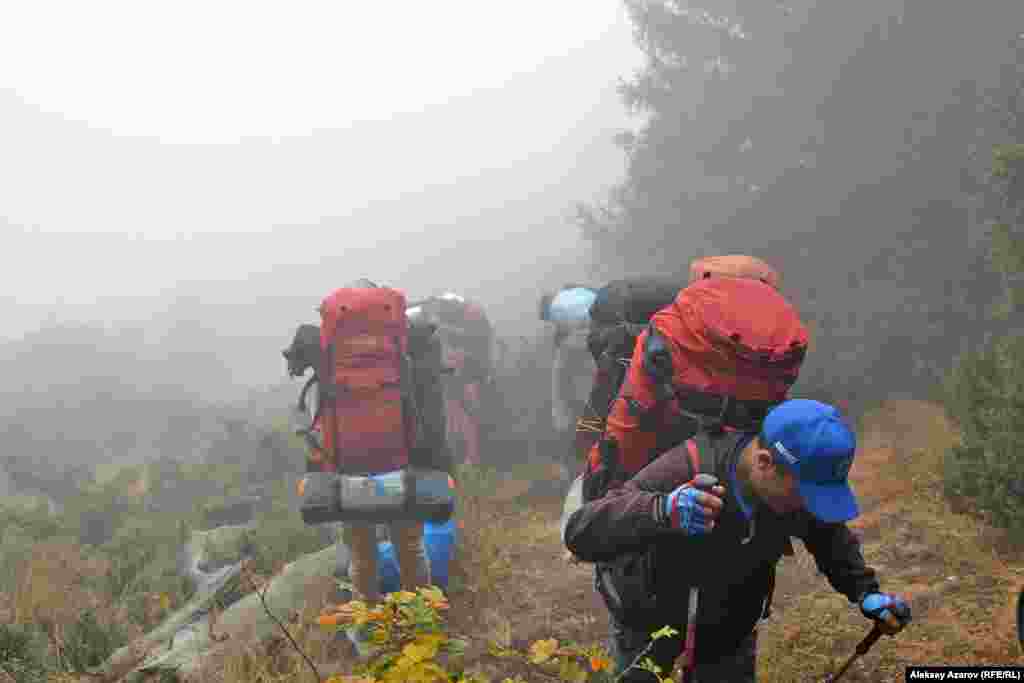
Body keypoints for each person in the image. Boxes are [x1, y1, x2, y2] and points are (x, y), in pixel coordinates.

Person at [564, 399, 911, 682]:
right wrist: (661, 509)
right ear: (764, 463)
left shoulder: (790, 484)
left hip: (730, 631)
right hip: (648, 626)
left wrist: (866, 592)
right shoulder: (686, 465)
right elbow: (581, 532)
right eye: (805, 495)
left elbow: (828, 534)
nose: (808, 508)